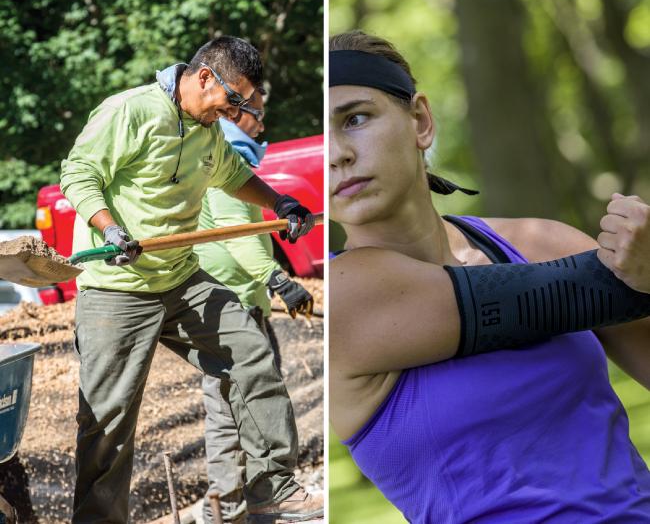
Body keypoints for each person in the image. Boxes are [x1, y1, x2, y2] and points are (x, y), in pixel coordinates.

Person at [329, 30, 650, 523]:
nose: (336, 155)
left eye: (354, 119)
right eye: (319, 138)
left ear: (420, 120)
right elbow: (585, 291)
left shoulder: (540, 242)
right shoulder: (345, 299)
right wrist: (634, 270)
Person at [60, 36, 323, 523]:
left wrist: (280, 204)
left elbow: (232, 174)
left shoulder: (207, 132)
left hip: (182, 280)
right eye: (235, 99)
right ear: (205, 77)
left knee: (251, 354)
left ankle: (271, 486)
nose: (236, 110)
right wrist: (110, 227)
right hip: (117, 288)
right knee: (108, 421)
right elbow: (78, 174)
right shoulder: (130, 111)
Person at [194, 88, 315, 524]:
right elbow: (234, 233)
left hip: (231, 299)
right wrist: (278, 279)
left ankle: (227, 507)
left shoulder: (215, 156)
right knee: (250, 403)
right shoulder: (226, 162)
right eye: (258, 116)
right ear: (235, 114)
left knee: (227, 408)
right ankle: (259, 501)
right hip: (232, 302)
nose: (263, 127)